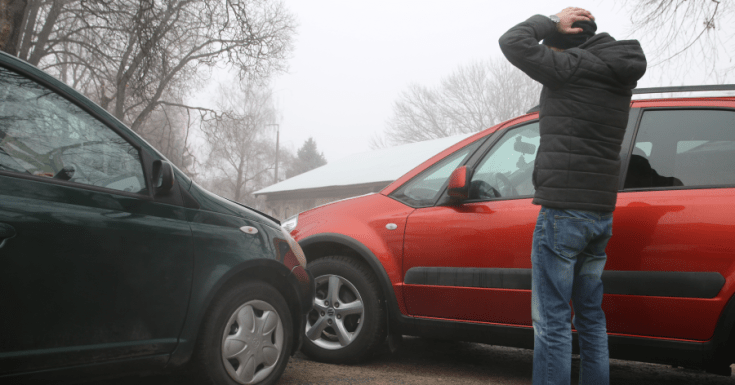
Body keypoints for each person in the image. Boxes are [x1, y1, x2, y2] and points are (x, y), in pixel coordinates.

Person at [498, 7, 647, 385]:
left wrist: (550, 22)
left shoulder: (573, 66)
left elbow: (513, 42)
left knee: (551, 321)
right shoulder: (618, 72)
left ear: (570, 41)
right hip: (599, 212)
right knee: (592, 319)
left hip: (564, 210)